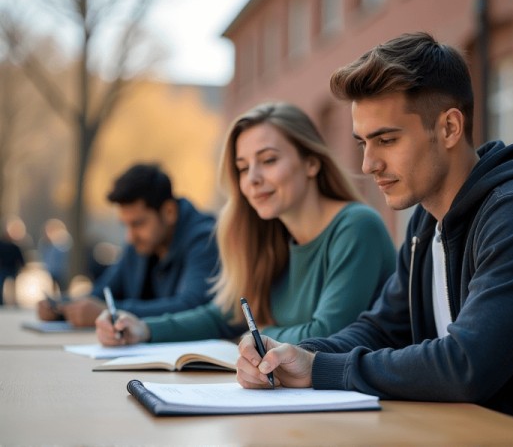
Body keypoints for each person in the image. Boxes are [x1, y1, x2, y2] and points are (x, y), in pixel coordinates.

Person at [236, 33, 513, 441]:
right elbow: (382, 329)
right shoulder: (426, 224)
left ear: (448, 127)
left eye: (386, 140)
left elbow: (466, 365)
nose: (368, 163)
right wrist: (292, 356)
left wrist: (319, 368)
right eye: (362, 142)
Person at [96, 102, 396, 346]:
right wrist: (143, 329)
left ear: (311, 163)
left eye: (268, 160)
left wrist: (256, 335)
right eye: (242, 168)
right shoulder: (268, 237)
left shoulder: (357, 227)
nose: (252, 179)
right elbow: (223, 317)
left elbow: (327, 332)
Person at [37, 163, 219, 327]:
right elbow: (103, 293)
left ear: (169, 212)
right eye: (125, 225)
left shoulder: (205, 239)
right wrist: (61, 306)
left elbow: (192, 307)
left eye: (138, 224)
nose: (130, 237)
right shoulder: (141, 244)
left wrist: (110, 313)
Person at [0, 222, 25, 305]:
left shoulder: (15, 246)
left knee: (13, 286)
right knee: (2, 285)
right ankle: (2, 301)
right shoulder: (2, 245)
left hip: (12, 268)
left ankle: (13, 301)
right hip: (4, 268)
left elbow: (20, 258)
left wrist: (22, 266)